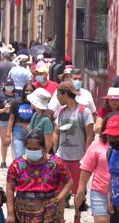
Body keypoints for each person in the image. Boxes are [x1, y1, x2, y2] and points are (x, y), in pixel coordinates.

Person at [6, 130, 73, 223]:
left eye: (36, 149)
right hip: (23, 213)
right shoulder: (17, 164)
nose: (32, 151)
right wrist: (10, 213)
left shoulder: (56, 163)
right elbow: (9, 188)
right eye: (29, 148)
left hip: (50, 212)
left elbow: (69, 182)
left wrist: (60, 198)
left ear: (43, 148)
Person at [53, 81, 95, 212]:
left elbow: (90, 135)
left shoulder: (84, 111)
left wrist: (86, 156)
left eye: (58, 95)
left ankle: (77, 217)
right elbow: (56, 131)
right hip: (62, 158)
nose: (57, 98)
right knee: (59, 192)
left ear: (65, 94)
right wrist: (55, 151)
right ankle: (61, 218)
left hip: (78, 158)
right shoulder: (61, 111)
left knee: (78, 193)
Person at [74, 113, 117, 223]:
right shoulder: (98, 145)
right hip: (100, 191)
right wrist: (81, 189)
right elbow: (87, 167)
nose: (113, 138)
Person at [0, 79, 19, 168]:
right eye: (8, 85)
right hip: (3, 121)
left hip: (14, 122)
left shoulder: (17, 97)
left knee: (14, 142)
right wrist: (3, 110)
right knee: (5, 142)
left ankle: (15, 161)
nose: (9, 87)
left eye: (11, 85)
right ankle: (3, 161)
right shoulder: (0, 97)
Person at [6, 84, 35, 159]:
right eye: (27, 90)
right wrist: (8, 135)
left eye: (31, 91)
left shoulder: (36, 104)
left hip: (31, 131)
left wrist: (31, 125)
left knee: (29, 156)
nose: (29, 92)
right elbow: (11, 119)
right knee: (18, 155)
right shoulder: (16, 103)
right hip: (18, 131)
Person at [104, 116, 119, 222]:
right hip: (115, 208)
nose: (112, 139)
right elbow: (112, 177)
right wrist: (109, 198)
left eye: (116, 136)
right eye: (110, 136)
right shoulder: (110, 152)